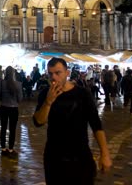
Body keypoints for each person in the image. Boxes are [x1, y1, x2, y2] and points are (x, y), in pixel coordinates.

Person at [33, 57, 112, 185]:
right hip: (54, 157)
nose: (54, 77)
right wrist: (48, 102)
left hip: (80, 156)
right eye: (50, 73)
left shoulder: (82, 94)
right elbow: (38, 122)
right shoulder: (45, 94)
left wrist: (105, 153)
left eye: (58, 73)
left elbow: (96, 124)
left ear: (67, 73)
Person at [0, 66, 22, 157]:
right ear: (13, 73)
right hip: (14, 109)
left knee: (3, 128)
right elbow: (20, 99)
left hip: (3, 107)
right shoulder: (18, 84)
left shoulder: (1, 82)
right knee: (12, 129)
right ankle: (11, 149)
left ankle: (3, 149)